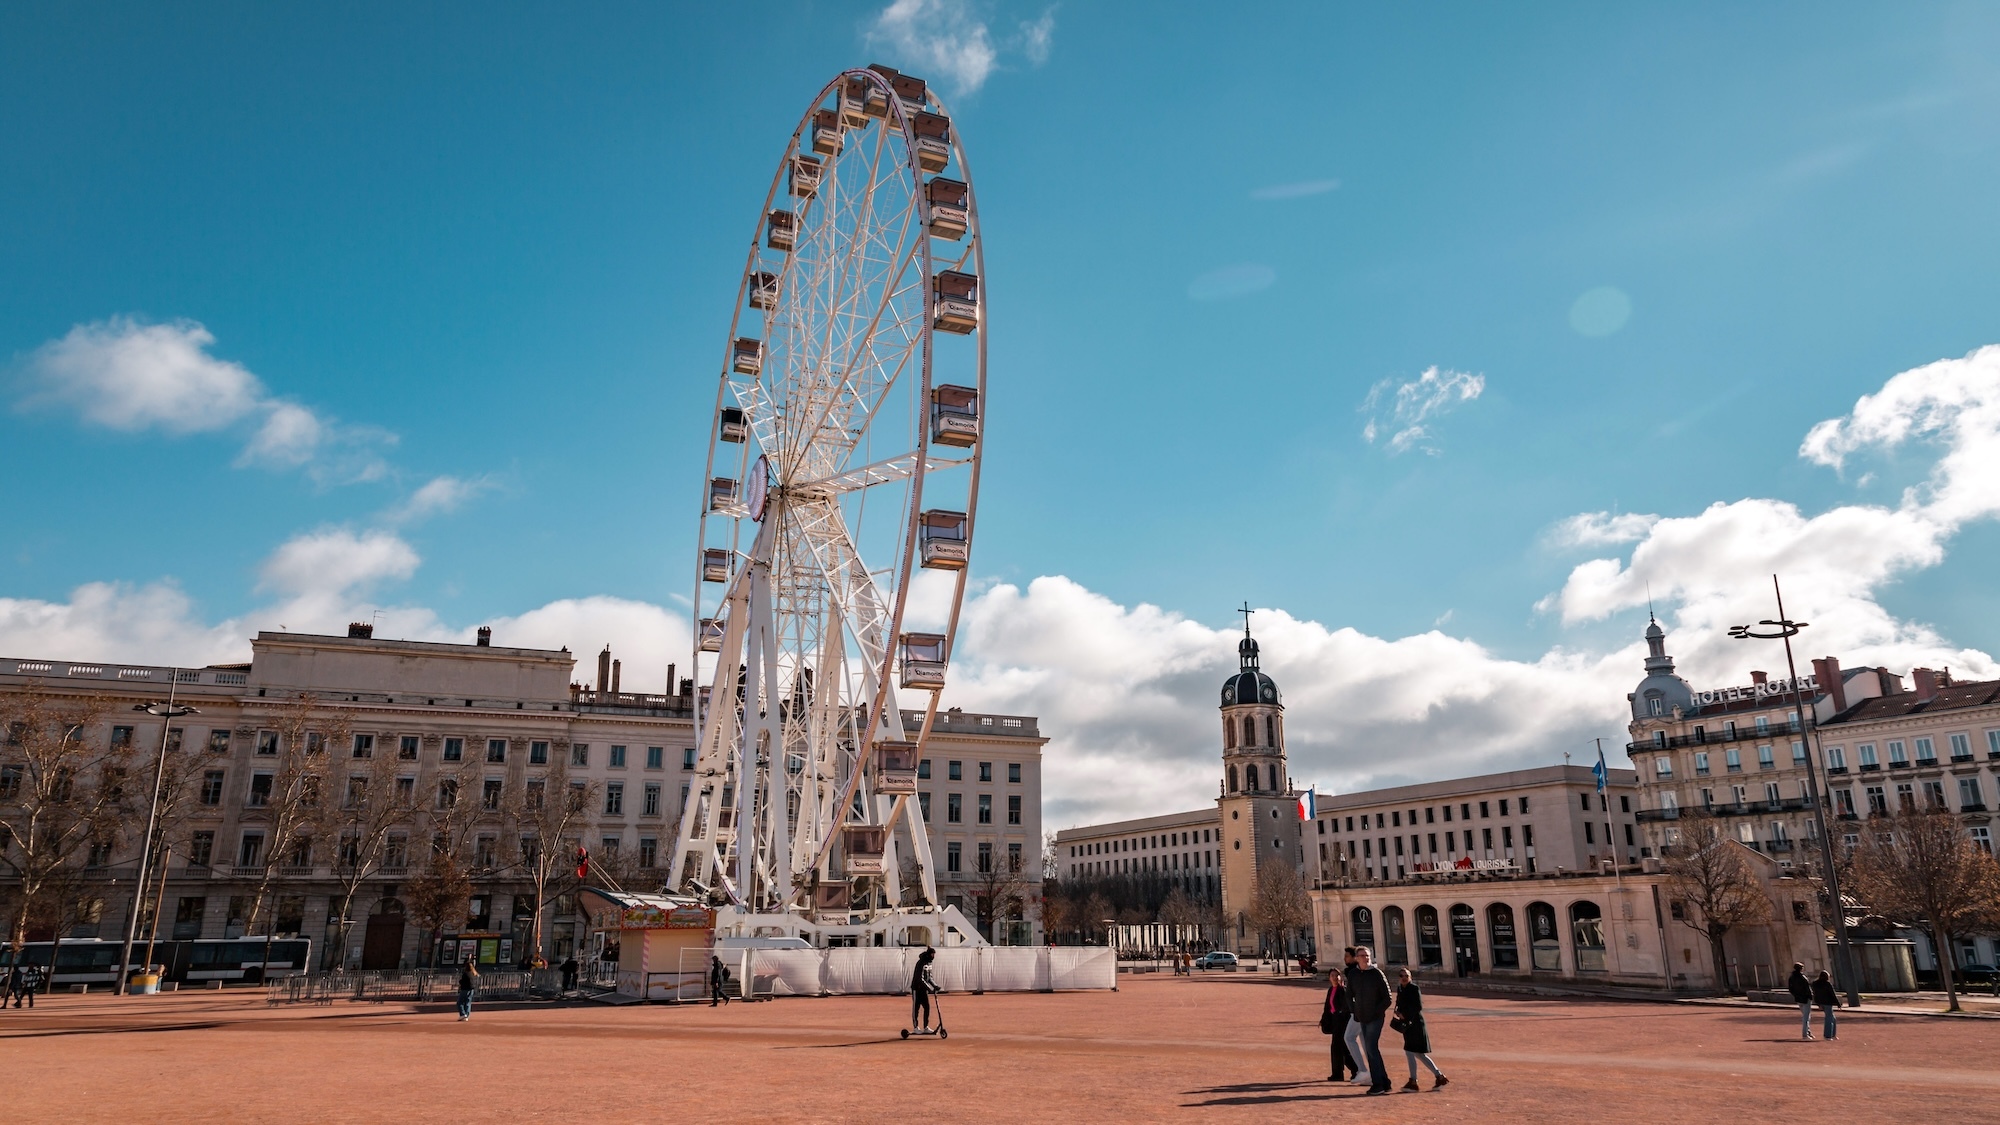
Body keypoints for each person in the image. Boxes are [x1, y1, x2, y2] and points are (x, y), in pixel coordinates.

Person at [1394, 967, 1448, 1091]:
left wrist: (1405, 1015)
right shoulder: (1400, 989)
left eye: (1406, 975)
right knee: (1417, 1053)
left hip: (1416, 1024)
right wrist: (1398, 1011)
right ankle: (1439, 1077)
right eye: (1401, 975)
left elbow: (1418, 1006)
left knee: (1411, 1051)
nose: (1404, 978)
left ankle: (1414, 1081)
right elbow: (1399, 1002)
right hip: (1407, 1025)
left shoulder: (1414, 988)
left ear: (1410, 977)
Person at [1349, 946, 1394, 1095]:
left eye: (1367, 955)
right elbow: (1348, 994)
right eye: (1362, 955)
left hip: (1375, 1018)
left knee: (1371, 1048)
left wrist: (1376, 1012)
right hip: (1362, 1017)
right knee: (1371, 1049)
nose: (1365, 958)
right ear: (1357, 958)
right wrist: (1354, 1011)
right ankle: (1384, 1082)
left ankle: (1378, 1084)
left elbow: (1388, 998)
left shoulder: (1376, 974)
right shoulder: (1354, 974)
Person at [1322, 958, 1359, 1082]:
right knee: (1339, 1048)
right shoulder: (1331, 990)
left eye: (1337, 975)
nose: (1335, 978)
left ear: (1341, 977)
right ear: (1329, 978)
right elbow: (1328, 1006)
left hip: (1343, 1022)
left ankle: (1354, 1070)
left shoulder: (1343, 990)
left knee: (1341, 1048)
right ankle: (1339, 1073)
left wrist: (1339, 1013)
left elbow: (1346, 1006)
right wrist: (1324, 1019)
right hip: (1335, 1021)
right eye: (1332, 976)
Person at [1339, 949, 1371, 1088]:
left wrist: (1353, 1009)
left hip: (1360, 1011)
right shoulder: (1354, 972)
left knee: (1349, 1037)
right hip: (1360, 1010)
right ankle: (1371, 1073)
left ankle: (1363, 1070)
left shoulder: (1354, 972)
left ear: (1354, 958)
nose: (1345, 958)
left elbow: (1352, 993)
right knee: (1365, 1041)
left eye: (1347, 956)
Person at [910, 947, 940, 1032]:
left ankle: (926, 1027)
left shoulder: (929, 963)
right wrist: (930, 989)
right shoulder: (921, 963)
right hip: (917, 989)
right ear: (928, 954)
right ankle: (916, 1027)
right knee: (916, 1008)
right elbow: (920, 978)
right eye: (932, 954)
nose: (933, 956)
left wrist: (935, 986)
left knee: (927, 1007)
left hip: (924, 990)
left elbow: (929, 977)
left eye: (934, 954)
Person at [1786, 963, 1814, 1040]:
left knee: (1805, 1016)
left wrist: (1796, 995)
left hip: (1798, 998)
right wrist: (1811, 996)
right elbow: (1807, 988)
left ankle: (1808, 1032)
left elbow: (1790, 989)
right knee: (1806, 1017)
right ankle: (1805, 1034)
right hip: (1805, 998)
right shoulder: (1802, 977)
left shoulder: (1792, 977)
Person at [1811, 970, 1839, 1041]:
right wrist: (1838, 1003)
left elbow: (1815, 995)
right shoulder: (1827, 984)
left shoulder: (1815, 984)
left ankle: (1833, 1034)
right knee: (1829, 1019)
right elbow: (1833, 994)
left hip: (1821, 1002)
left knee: (1833, 1018)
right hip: (1828, 1003)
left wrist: (1818, 1003)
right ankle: (1828, 1035)